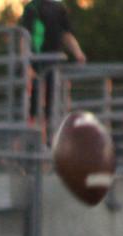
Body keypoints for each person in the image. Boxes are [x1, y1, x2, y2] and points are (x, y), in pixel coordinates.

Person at [19, 0, 86, 135]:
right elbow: (24, 38)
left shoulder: (59, 8)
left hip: (54, 65)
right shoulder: (32, 8)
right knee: (34, 107)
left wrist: (78, 53)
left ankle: (52, 140)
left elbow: (66, 34)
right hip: (37, 65)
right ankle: (34, 140)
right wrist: (26, 64)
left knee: (54, 105)